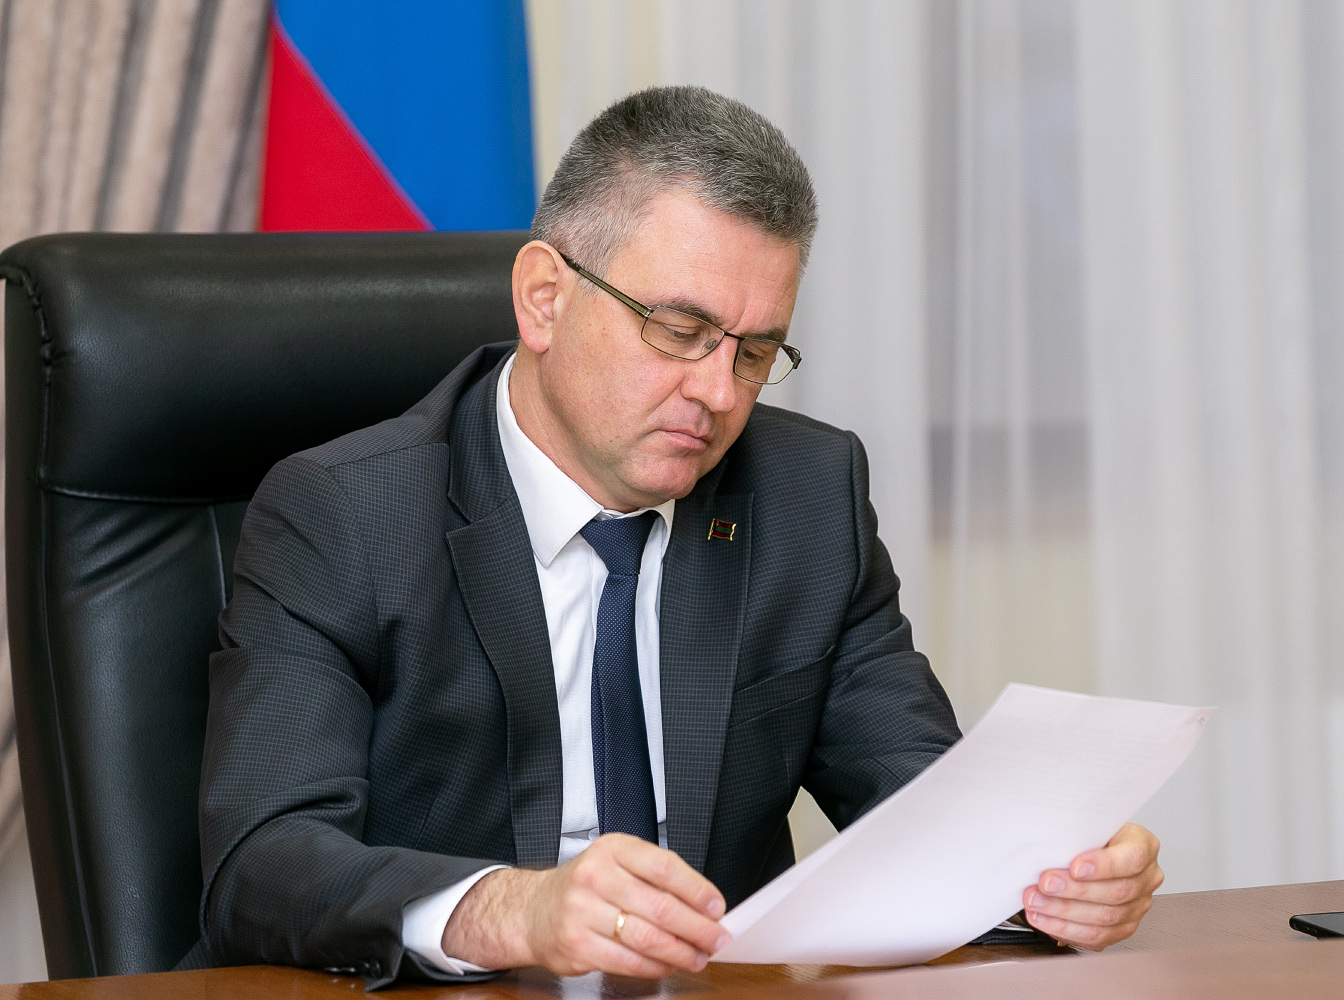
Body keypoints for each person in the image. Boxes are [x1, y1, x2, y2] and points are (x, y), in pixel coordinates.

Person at [195, 86, 1164, 987]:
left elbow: (924, 810)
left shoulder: (807, 494)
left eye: (754, 350)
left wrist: (1051, 877)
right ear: (544, 297)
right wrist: (511, 908)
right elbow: (263, 863)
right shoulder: (342, 513)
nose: (718, 392)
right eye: (678, 329)